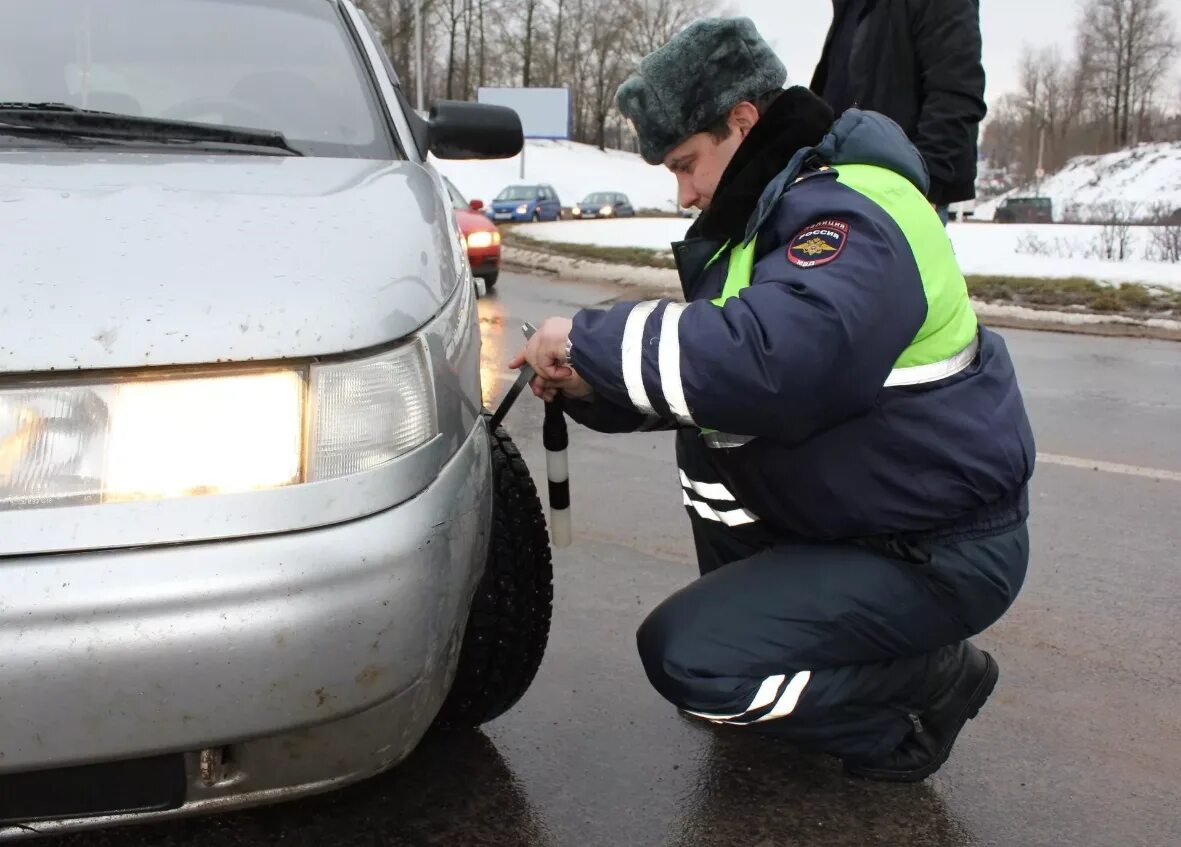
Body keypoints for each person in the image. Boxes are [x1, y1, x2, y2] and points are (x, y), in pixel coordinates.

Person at [510, 16, 1034, 782]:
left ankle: (925, 690)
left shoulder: (852, 209)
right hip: (870, 518)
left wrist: (591, 339)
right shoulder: (772, 215)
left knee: (689, 660)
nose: (684, 192)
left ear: (743, 119)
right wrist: (589, 383)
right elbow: (713, 376)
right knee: (708, 440)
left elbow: (774, 362)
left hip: (939, 546)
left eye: (687, 163)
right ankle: (765, 649)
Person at [810, 0, 987, 223]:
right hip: (833, 189)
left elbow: (957, 94)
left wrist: (927, 185)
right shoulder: (854, 8)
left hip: (900, 196)